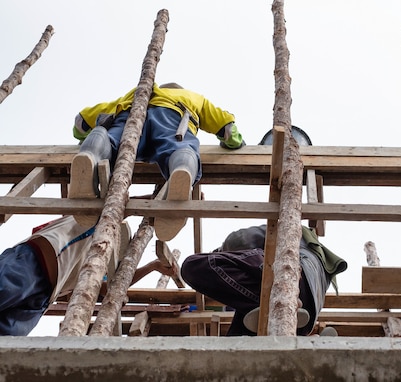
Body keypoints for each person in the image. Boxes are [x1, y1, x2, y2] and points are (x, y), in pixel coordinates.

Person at [70, 82, 245, 240]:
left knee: (110, 140)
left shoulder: (138, 91)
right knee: (178, 147)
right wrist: (235, 143)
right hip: (172, 117)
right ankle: (181, 171)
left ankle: (91, 156)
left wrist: (84, 134)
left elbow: (80, 122)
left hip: (132, 113)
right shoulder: (192, 97)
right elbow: (227, 129)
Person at [0, 215, 172, 336]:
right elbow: (122, 206)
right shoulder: (95, 217)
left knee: (6, 343)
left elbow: (110, 286)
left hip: (44, 295)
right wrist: (155, 203)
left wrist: (152, 267)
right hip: (33, 261)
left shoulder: (96, 261)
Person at [181, 224, 348, 336]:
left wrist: (219, 252)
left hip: (292, 276)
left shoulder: (288, 230)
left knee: (193, 265)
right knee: (235, 347)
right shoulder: (319, 267)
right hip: (304, 314)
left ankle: (280, 308)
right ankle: (312, 346)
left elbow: (238, 240)